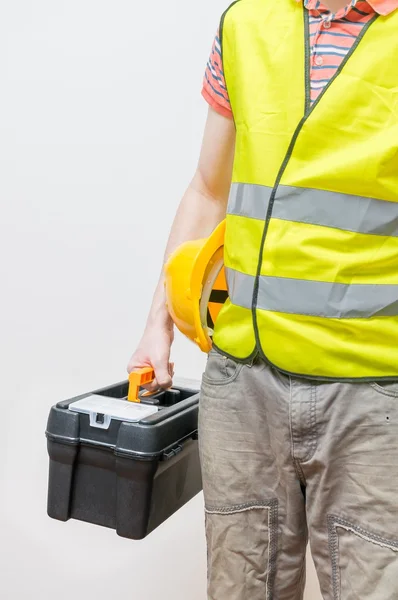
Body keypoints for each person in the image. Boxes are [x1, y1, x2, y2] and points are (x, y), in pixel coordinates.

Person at [128, 0, 398, 597]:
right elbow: (209, 187)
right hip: (243, 383)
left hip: (374, 394)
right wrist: (159, 321)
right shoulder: (245, 22)